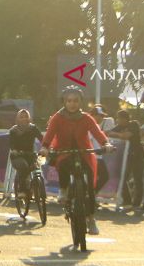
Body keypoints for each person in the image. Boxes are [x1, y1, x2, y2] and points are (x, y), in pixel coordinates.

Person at [40, 86, 111, 235]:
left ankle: (91, 219)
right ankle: (63, 190)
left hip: (84, 153)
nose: (72, 104)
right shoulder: (57, 118)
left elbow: (97, 133)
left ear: (80, 102)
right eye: (69, 101)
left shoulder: (86, 118)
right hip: (64, 152)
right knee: (63, 165)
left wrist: (106, 144)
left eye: (76, 101)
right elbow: (49, 135)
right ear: (64, 102)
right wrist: (45, 147)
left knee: (89, 188)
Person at [109, 109, 144, 210]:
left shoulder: (133, 124)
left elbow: (127, 135)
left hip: (138, 155)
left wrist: (121, 135)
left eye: (119, 118)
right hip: (127, 157)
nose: (117, 120)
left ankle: (137, 203)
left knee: (138, 179)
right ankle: (127, 201)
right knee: (122, 177)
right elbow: (108, 133)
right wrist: (119, 135)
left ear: (124, 119)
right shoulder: (120, 126)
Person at [8, 109, 43, 204]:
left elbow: (42, 139)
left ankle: (37, 190)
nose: (24, 118)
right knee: (23, 166)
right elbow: (11, 144)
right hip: (17, 156)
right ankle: (21, 190)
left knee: (37, 168)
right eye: (21, 117)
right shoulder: (13, 131)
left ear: (29, 118)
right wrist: (15, 150)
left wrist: (46, 147)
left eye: (26, 116)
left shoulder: (33, 128)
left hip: (31, 155)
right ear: (17, 119)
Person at [89, 104, 115, 204]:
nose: (101, 118)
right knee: (103, 176)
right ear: (93, 115)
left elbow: (103, 140)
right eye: (100, 116)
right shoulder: (89, 127)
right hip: (92, 156)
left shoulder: (97, 127)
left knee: (102, 177)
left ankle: (91, 196)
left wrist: (108, 147)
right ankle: (90, 196)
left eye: (102, 116)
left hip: (97, 156)